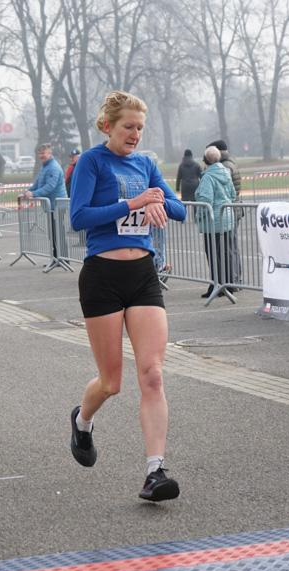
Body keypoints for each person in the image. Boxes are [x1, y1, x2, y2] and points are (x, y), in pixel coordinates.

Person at [69, 90, 186, 502]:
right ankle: (82, 422)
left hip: (143, 275)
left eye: (140, 128)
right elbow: (78, 217)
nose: (135, 135)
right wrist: (132, 203)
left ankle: (155, 472)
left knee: (152, 374)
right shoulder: (92, 161)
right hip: (102, 275)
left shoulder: (146, 164)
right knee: (112, 382)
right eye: (128, 128)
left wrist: (158, 201)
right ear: (108, 127)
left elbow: (180, 210)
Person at [195, 146, 236, 298]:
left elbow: (206, 200)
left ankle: (215, 285)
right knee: (226, 253)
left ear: (205, 161)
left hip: (213, 222)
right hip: (227, 217)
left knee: (213, 255)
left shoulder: (207, 177)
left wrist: (198, 216)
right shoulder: (226, 172)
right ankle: (228, 285)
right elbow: (232, 195)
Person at [18, 143, 66, 257]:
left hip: (57, 206)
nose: (41, 156)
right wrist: (26, 193)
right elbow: (37, 184)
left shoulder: (53, 167)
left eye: (43, 153)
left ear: (50, 153)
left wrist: (33, 194)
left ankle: (62, 258)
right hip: (51, 207)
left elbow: (50, 186)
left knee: (58, 234)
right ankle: (56, 258)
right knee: (53, 234)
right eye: (39, 153)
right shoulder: (45, 166)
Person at [207, 139, 242, 289]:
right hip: (234, 209)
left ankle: (231, 281)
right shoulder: (231, 162)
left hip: (228, 211)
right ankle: (236, 280)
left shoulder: (224, 166)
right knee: (232, 247)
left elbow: (228, 192)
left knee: (228, 249)